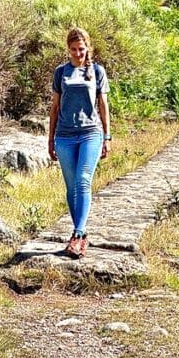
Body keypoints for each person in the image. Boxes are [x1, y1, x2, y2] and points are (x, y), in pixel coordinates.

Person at [48, 27, 112, 258]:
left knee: (83, 180)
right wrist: (50, 139)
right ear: (68, 50)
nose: (78, 54)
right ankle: (80, 237)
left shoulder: (97, 71)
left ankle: (78, 232)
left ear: (88, 49)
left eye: (82, 49)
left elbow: (103, 105)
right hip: (64, 135)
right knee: (72, 186)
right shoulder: (60, 72)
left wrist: (107, 136)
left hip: (90, 133)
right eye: (73, 50)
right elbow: (54, 107)